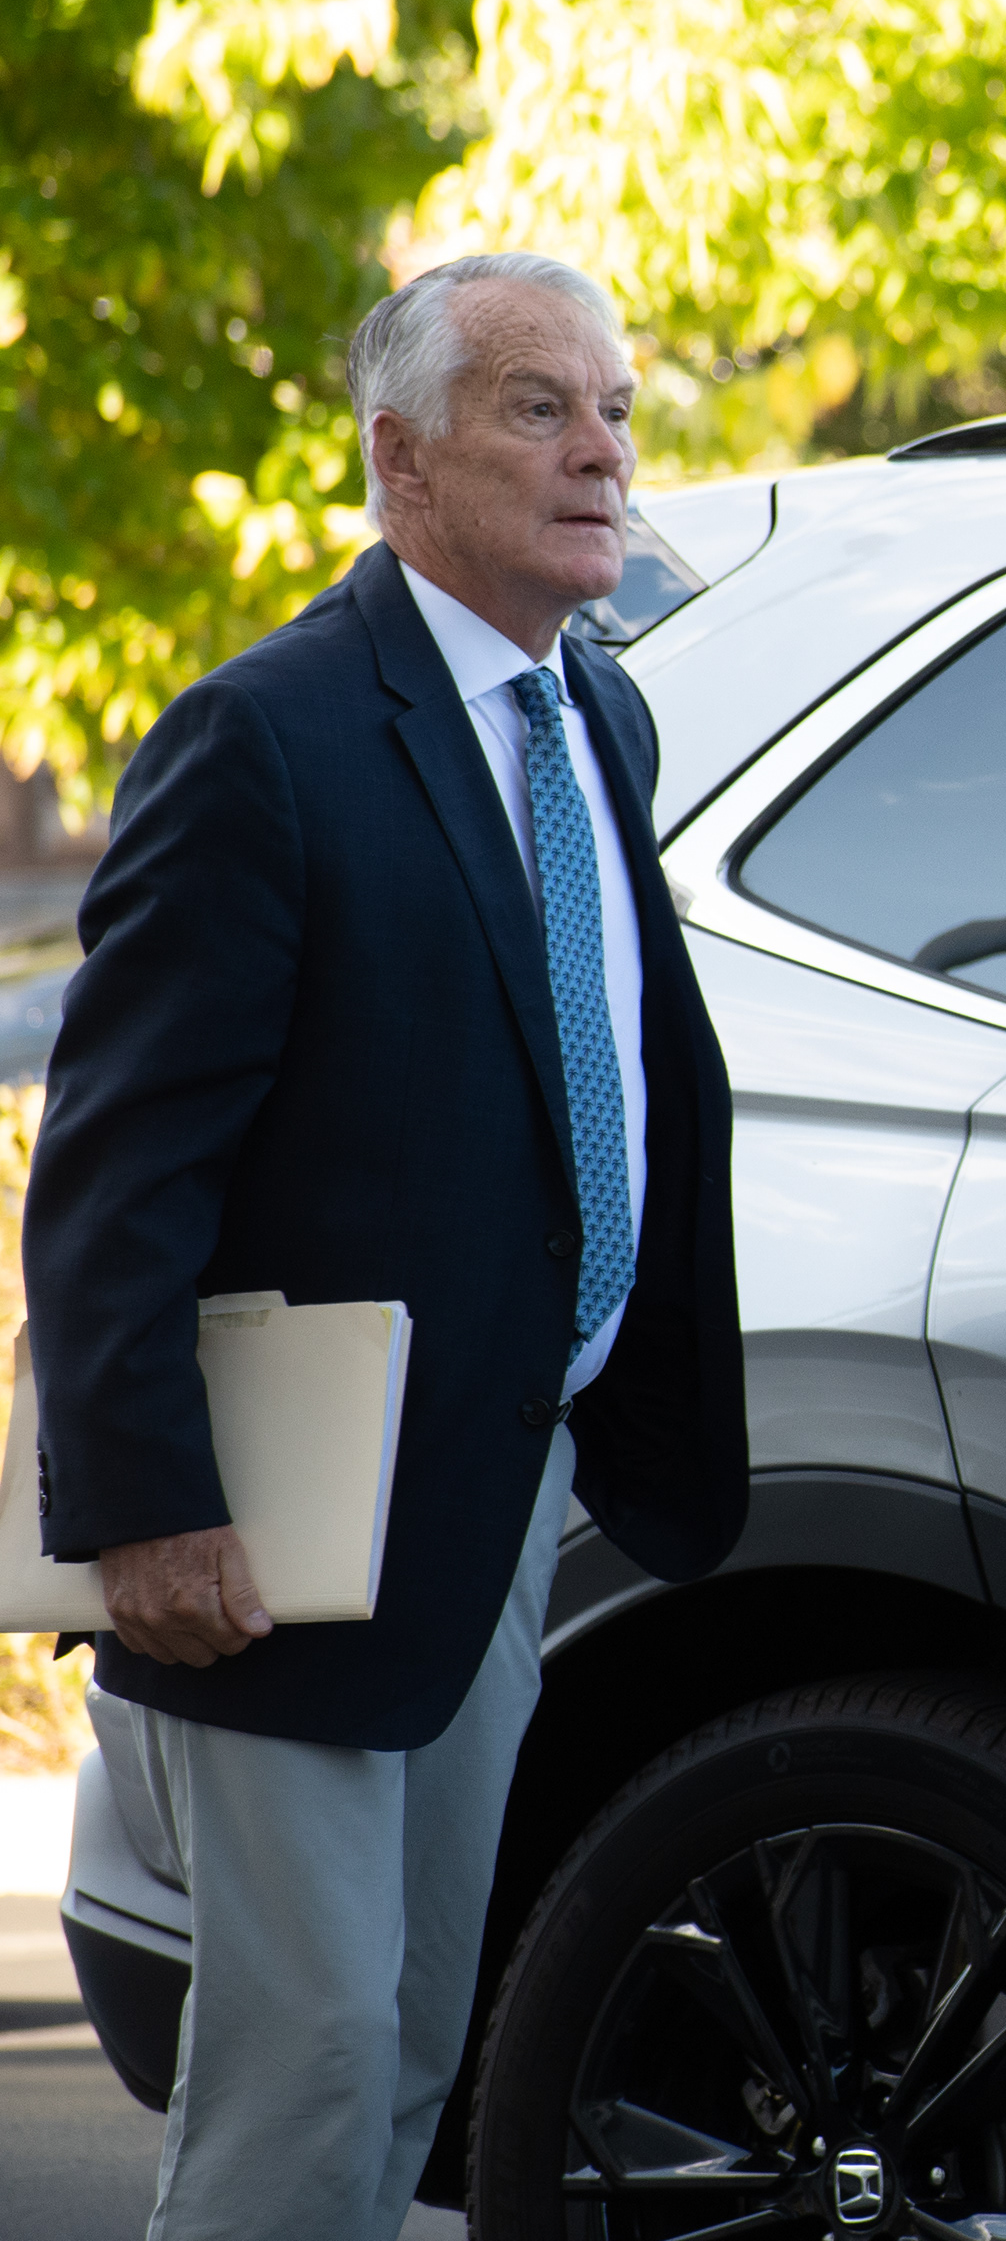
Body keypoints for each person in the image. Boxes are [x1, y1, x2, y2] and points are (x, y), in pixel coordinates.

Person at [28, 252, 748, 2241]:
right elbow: (115, 1161)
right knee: (316, 2046)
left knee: (420, 2037)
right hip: (280, 1518)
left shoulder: (596, 715)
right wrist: (145, 1502)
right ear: (400, 454)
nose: (602, 449)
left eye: (614, 406)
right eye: (541, 405)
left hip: (498, 1492)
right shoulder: (266, 738)